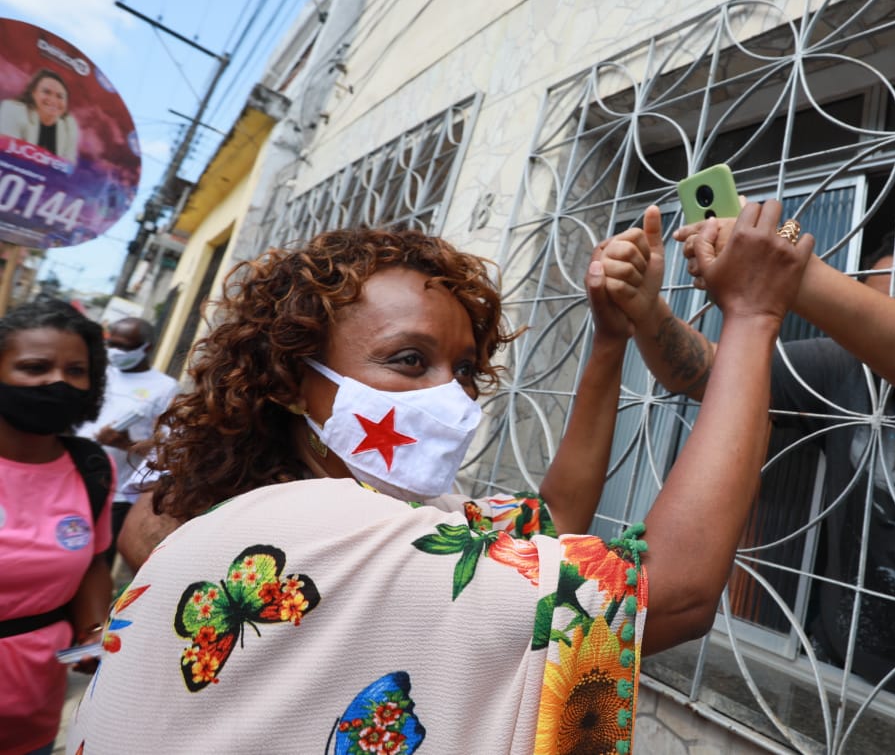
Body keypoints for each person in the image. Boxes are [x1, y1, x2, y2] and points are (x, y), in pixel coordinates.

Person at [69, 207, 812, 753]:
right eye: (407, 360)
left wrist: (610, 340)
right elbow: (674, 594)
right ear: (293, 380)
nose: (448, 397)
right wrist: (752, 316)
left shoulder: (346, 512)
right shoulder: (323, 525)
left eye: (460, 369)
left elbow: (549, 521)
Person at [595, 206, 895, 727]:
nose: (877, 324)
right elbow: (706, 372)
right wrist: (647, 311)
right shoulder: (845, 366)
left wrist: (785, 268)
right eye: (870, 305)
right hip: (841, 675)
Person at [0, 299, 115, 755]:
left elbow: (93, 562)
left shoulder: (92, 467)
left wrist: (92, 633)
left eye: (75, 371)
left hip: (33, 715)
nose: (58, 382)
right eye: (35, 367)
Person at [74, 317, 178, 570]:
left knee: (94, 562)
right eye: (113, 343)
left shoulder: (165, 388)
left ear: (147, 347)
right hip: (74, 479)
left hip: (116, 493)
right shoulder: (99, 372)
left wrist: (125, 444)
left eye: (126, 346)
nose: (117, 352)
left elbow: (167, 445)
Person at [0, 69, 80, 165]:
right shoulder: (13, 109)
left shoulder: (69, 124)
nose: (53, 100)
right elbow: (5, 154)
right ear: (33, 93)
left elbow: (69, 164)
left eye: (60, 96)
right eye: (46, 92)